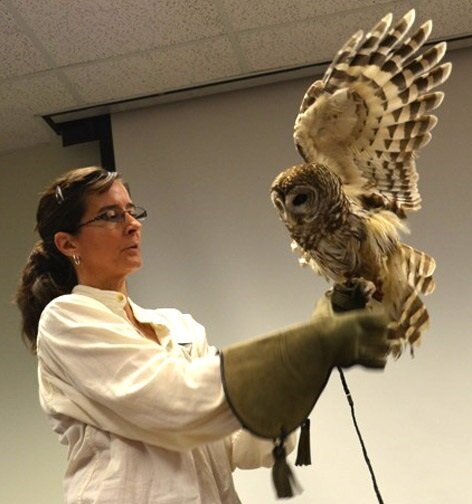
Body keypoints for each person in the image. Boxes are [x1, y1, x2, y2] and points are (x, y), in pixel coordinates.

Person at [16, 166, 391, 503]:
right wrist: (307, 346)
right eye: (110, 216)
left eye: (132, 211)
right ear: (68, 244)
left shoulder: (178, 326)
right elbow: (176, 402)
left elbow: (240, 445)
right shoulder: (66, 320)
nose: (132, 224)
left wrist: (305, 373)